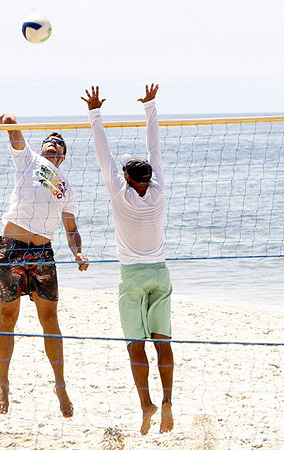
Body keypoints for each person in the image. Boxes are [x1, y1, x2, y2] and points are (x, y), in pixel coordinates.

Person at [81, 84, 174, 435]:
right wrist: (150, 107)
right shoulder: (159, 190)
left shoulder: (120, 197)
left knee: (136, 346)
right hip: (160, 274)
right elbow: (155, 148)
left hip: (132, 277)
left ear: (128, 179)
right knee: (163, 342)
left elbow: (103, 154)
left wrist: (95, 112)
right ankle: (167, 401)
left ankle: (146, 403)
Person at [0, 112, 89, 418]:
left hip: (43, 251)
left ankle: (60, 385)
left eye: (58, 143)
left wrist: (78, 253)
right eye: (49, 140)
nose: (53, 144)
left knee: (50, 320)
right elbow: (15, 136)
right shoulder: (29, 160)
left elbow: (71, 228)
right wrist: (11, 121)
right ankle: (4, 384)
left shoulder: (66, 187)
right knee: (8, 317)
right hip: (12, 248)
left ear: (63, 155)